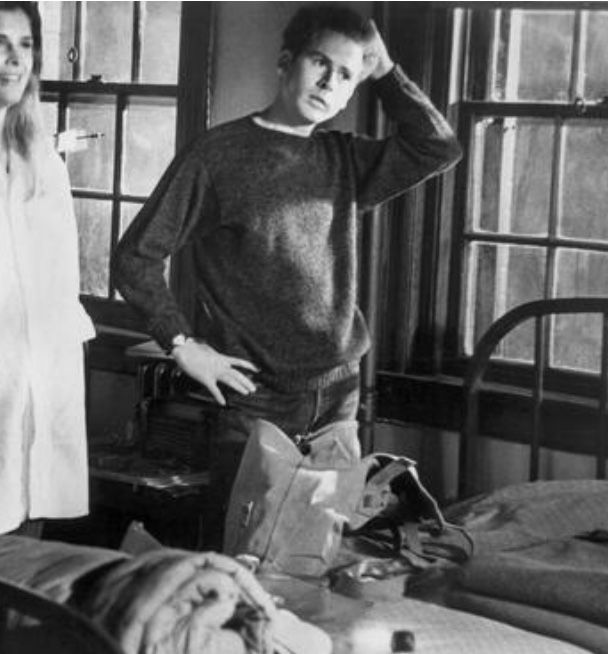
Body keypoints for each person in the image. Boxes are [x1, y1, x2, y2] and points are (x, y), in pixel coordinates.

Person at [112, 4, 461, 523]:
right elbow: (134, 257)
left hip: (339, 398)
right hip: (256, 402)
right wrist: (183, 344)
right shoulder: (217, 155)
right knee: (244, 563)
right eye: (320, 63)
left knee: (316, 560)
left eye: (346, 75)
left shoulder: (343, 159)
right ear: (286, 61)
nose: (329, 82)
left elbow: (437, 147)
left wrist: (385, 72)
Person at [0, 1, 95, 535]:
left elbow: (61, 287)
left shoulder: (42, 162)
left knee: (24, 556)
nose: (14, 60)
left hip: (38, 385)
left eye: (26, 45)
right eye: (0, 42)